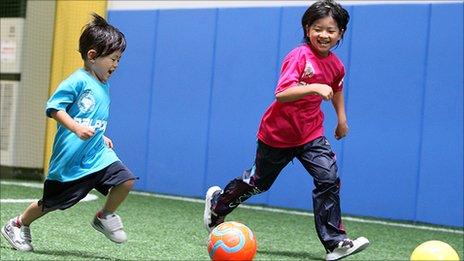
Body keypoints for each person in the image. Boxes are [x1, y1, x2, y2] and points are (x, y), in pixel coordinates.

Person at [203, 1, 369, 260]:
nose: (324, 35)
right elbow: (282, 93)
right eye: (318, 28)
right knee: (258, 184)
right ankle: (219, 204)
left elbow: (336, 88)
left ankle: (335, 243)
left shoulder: (336, 65)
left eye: (331, 30)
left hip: (311, 134)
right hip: (277, 134)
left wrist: (342, 118)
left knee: (328, 178)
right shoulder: (299, 56)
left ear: (341, 33)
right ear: (307, 28)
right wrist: (314, 87)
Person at [1, 13, 136, 251]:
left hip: (96, 154)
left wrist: (99, 135)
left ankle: (104, 216)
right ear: (93, 56)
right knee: (51, 203)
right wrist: (74, 127)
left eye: (119, 59)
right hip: (71, 159)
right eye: (113, 59)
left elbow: (91, 118)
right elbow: (54, 108)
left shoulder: (103, 85)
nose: (116, 64)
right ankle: (17, 223)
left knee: (125, 181)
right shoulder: (77, 81)